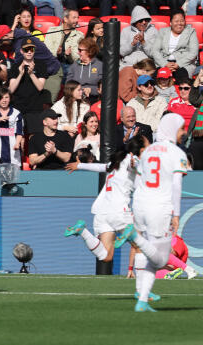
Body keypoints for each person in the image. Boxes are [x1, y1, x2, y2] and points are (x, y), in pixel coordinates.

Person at [114, 113, 188, 312]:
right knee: (161, 259)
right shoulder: (176, 153)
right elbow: (176, 186)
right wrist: (176, 214)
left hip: (140, 203)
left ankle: (143, 300)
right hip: (159, 206)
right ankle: (134, 238)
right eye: (181, 128)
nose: (184, 132)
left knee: (149, 258)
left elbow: (138, 180)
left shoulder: (148, 151)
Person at [65, 135, 148, 268]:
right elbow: (134, 164)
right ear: (140, 149)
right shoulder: (130, 160)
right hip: (119, 211)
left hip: (102, 212)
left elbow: (101, 167)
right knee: (140, 245)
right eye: (147, 145)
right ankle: (143, 287)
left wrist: (80, 165)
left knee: (106, 256)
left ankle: (82, 231)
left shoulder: (116, 162)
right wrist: (136, 163)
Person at [8, 37, 48, 135]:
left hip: (34, 108)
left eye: (32, 49)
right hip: (18, 107)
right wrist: (20, 74)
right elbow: (11, 89)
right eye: (26, 49)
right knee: (17, 136)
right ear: (21, 51)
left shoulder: (41, 65)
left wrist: (31, 74)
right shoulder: (15, 66)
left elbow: (40, 87)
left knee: (34, 136)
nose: (29, 52)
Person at [0, 87, 23, 185]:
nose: (4, 100)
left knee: (12, 178)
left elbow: (19, 133)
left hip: (12, 151)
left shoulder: (16, 113)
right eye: (1, 98)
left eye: (6, 97)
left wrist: (17, 143)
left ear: (10, 99)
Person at [151, 9, 199, 80]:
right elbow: (155, 50)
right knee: (157, 78)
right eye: (176, 21)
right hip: (164, 62)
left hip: (183, 64)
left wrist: (178, 64)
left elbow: (193, 52)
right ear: (170, 23)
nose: (179, 23)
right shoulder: (162, 31)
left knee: (182, 78)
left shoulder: (191, 32)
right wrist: (165, 64)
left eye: (182, 20)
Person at [44, 8, 83, 80]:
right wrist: (58, 53)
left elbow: (77, 57)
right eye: (74, 17)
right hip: (54, 64)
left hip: (70, 65)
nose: (77, 20)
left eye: (78, 18)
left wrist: (68, 55)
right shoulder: (52, 31)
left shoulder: (79, 35)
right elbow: (47, 50)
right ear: (65, 19)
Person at [66, 38, 103, 103]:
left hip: (93, 100)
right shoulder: (74, 66)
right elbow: (68, 84)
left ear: (90, 51)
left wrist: (91, 90)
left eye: (80, 50)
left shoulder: (100, 66)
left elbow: (103, 87)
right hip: (76, 99)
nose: (78, 52)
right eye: (78, 49)